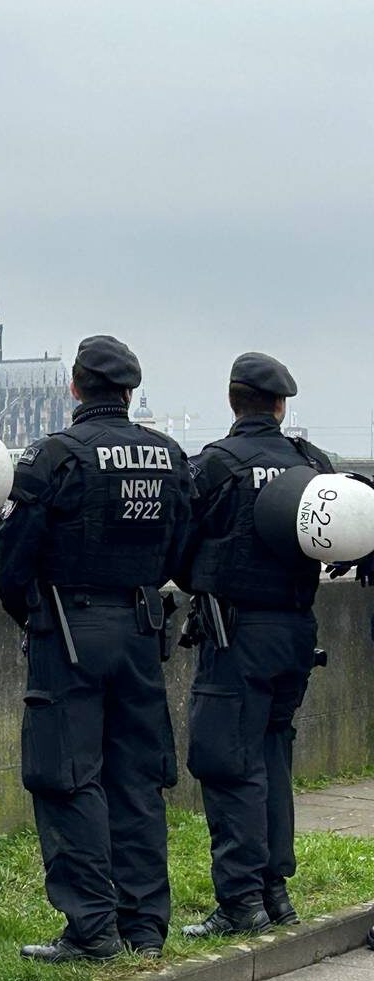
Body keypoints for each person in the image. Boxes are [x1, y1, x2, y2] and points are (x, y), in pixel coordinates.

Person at [0, 335, 191, 962]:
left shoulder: (55, 456)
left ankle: (91, 928)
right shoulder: (170, 456)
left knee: (66, 775)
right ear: (129, 392)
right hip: (139, 626)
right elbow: (184, 549)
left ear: (74, 389)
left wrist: (34, 613)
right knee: (136, 777)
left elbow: (12, 554)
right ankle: (145, 925)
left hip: (69, 629)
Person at [176, 353, 334, 937]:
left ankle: (241, 901)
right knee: (272, 757)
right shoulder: (308, 463)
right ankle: (275, 891)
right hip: (295, 631)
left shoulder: (216, 464)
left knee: (228, 764)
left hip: (235, 634)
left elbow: (180, 542)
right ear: (280, 404)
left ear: (232, 401)